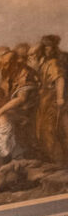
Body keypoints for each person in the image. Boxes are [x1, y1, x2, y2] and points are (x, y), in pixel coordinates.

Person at [36, 34, 66, 163]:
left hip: (51, 97)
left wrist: (60, 97)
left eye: (49, 47)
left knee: (49, 129)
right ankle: (52, 159)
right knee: (41, 129)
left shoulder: (54, 62)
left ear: (53, 48)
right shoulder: (45, 62)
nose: (47, 49)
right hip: (44, 98)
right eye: (45, 47)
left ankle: (58, 161)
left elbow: (60, 79)